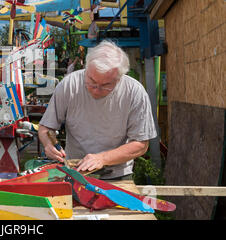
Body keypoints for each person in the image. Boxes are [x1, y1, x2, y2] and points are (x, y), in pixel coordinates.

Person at [38, 40, 157, 180]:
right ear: (86, 68)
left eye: (106, 85)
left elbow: (141, 144)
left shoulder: (134, 92)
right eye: (91, 81)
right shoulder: (69, 85)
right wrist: (48, 144)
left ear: (119, 79)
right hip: (74, 172)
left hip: (116, 174)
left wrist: (103, 158)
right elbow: (45, 127)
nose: (96, 90)